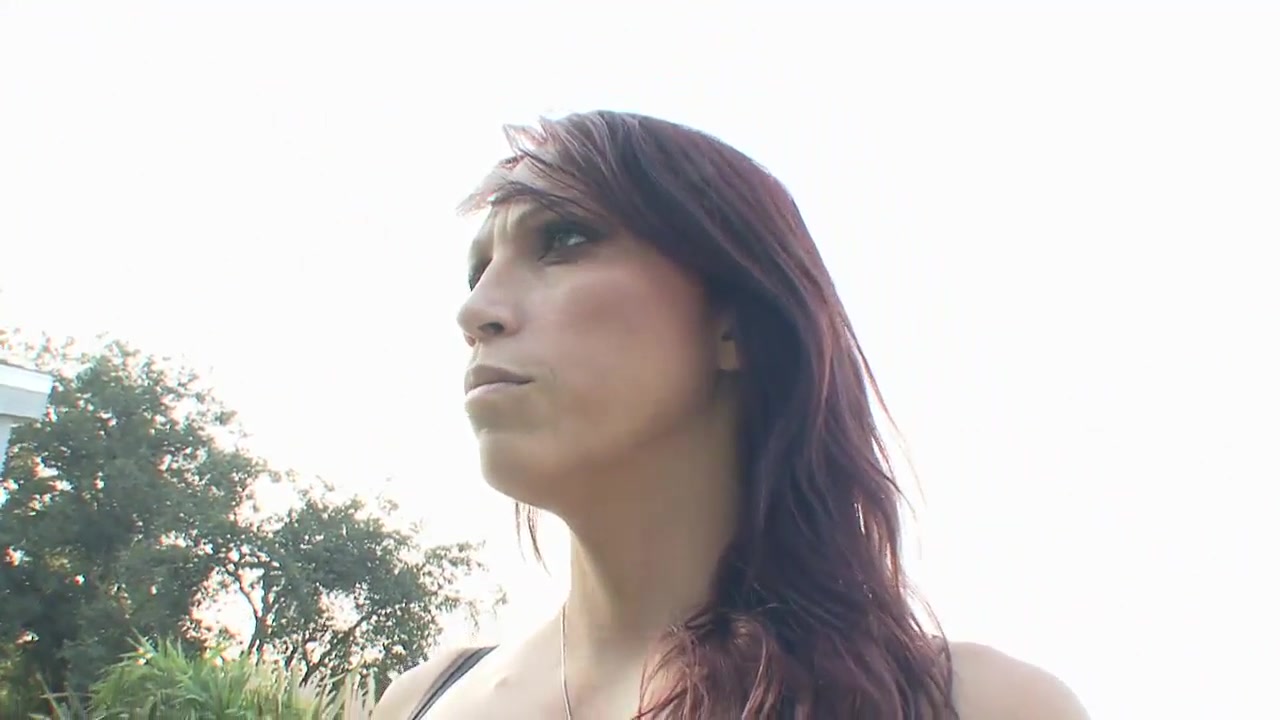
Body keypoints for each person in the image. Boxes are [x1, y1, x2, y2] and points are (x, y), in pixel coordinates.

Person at [373, 111, 1089, 719]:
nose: (476, 311)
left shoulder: (975, 705)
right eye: (477, 271)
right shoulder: (418, 704)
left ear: (735, 325)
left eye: (562, 240)